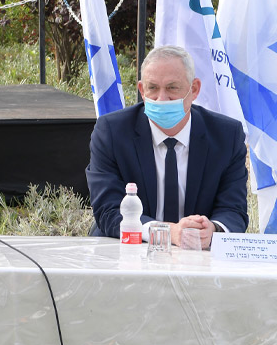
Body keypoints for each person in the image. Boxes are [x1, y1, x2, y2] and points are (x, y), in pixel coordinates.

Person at [86, 45, 248, 249]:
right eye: (152, 88)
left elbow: (234, 210)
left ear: (194, 89)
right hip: (128, 250)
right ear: (142, 91)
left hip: (197, 255)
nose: (162, 99)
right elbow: (108, 210)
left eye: (172, 88)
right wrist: (167, 232)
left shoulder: (226, 135)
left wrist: (213, 229)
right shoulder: (112, 132)